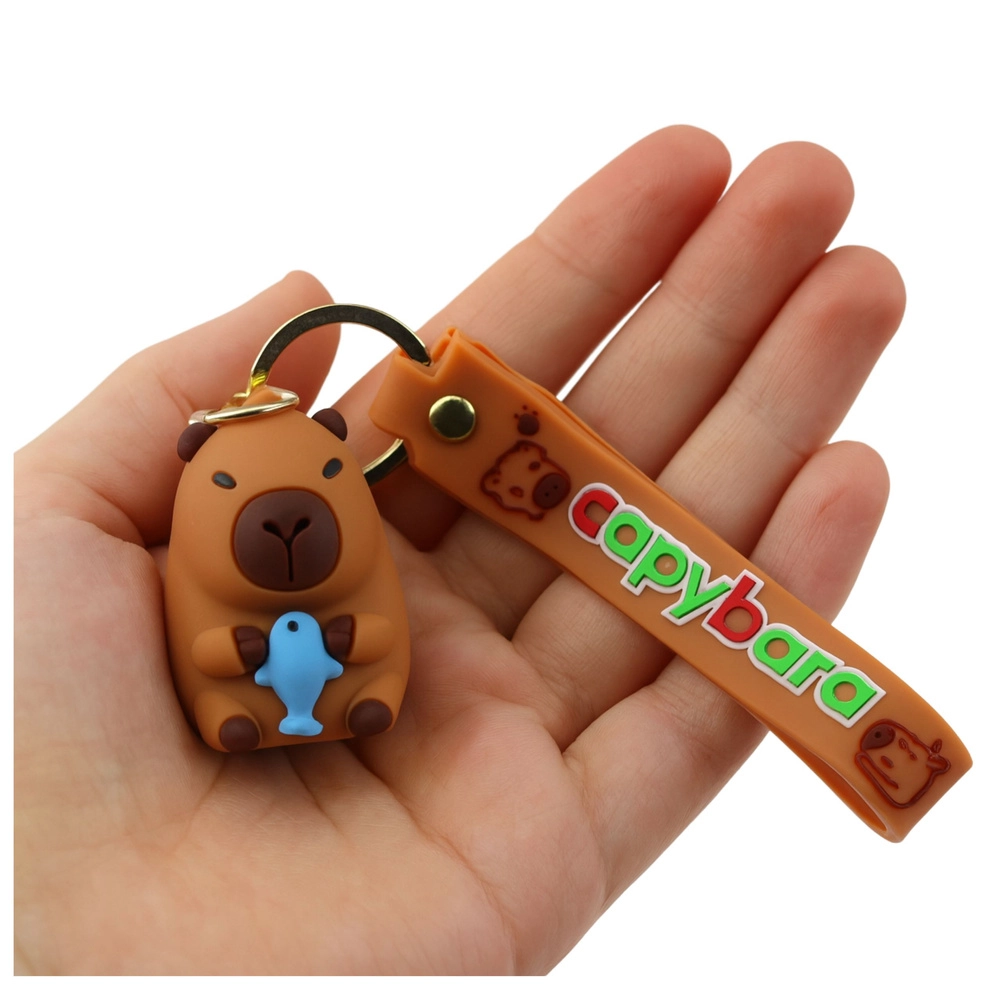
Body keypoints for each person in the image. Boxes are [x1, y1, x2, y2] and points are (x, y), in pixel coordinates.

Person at [13, 126, 903, 974]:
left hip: (370, 696)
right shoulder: (198, 581)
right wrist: (230, 655)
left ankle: (362, 704)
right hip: (234, 718)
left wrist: (359, 651)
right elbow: (208, 648)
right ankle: (242, 718)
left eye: (324, 476)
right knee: (230, 685)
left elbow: (377, 628)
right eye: (226, 486)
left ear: (344, 460)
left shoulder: (363, 562)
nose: (286, 522)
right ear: (196, 470)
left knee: (373, 667)